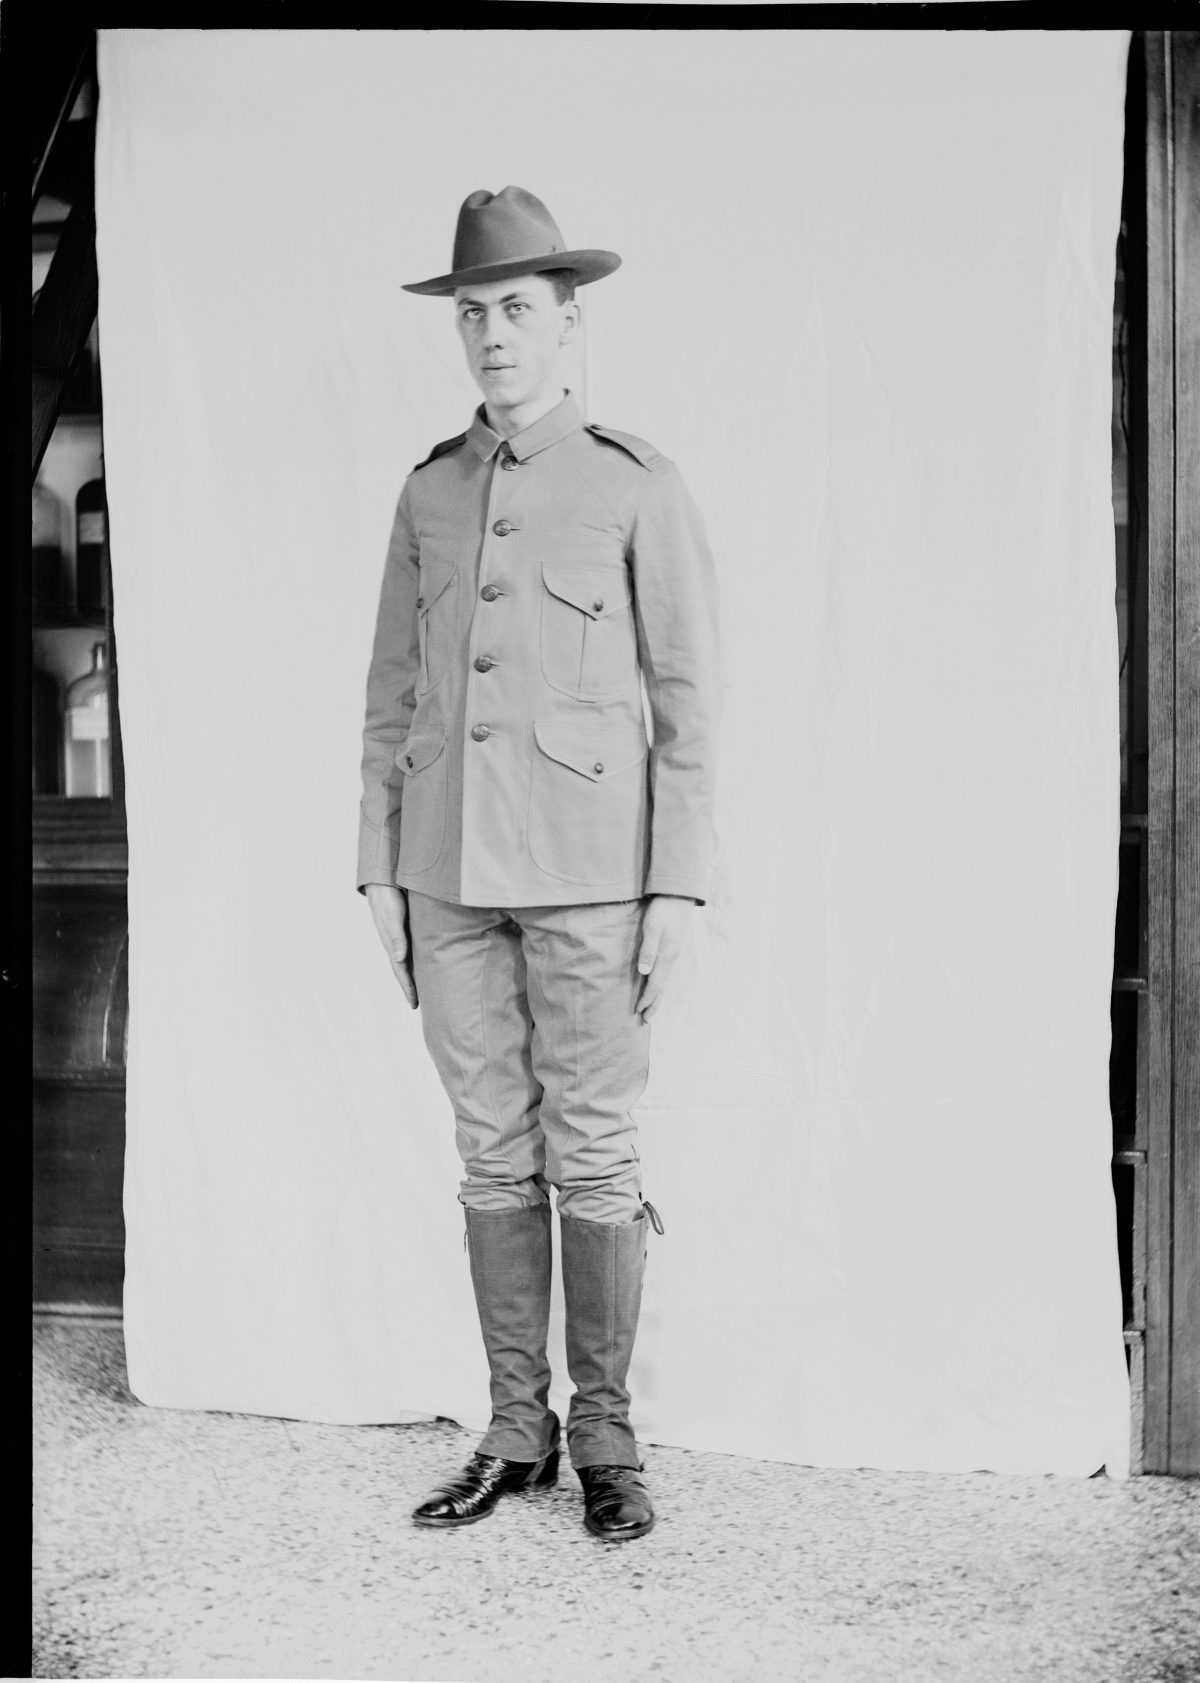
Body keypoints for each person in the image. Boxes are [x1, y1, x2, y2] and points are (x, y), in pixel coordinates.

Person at [358, 185, 720, 1542]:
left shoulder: (635, 481)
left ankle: (610, 1435)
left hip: (591, 876)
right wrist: (377, 872)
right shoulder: (429, 492)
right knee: (490, 1155)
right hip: (445, 875)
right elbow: (389, 696)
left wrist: (677, 883)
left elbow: (689, 700)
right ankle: (517, 1433)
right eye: (472, 313)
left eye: (516, 308)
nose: (493, 334)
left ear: (568, 324)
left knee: (597, 1156)